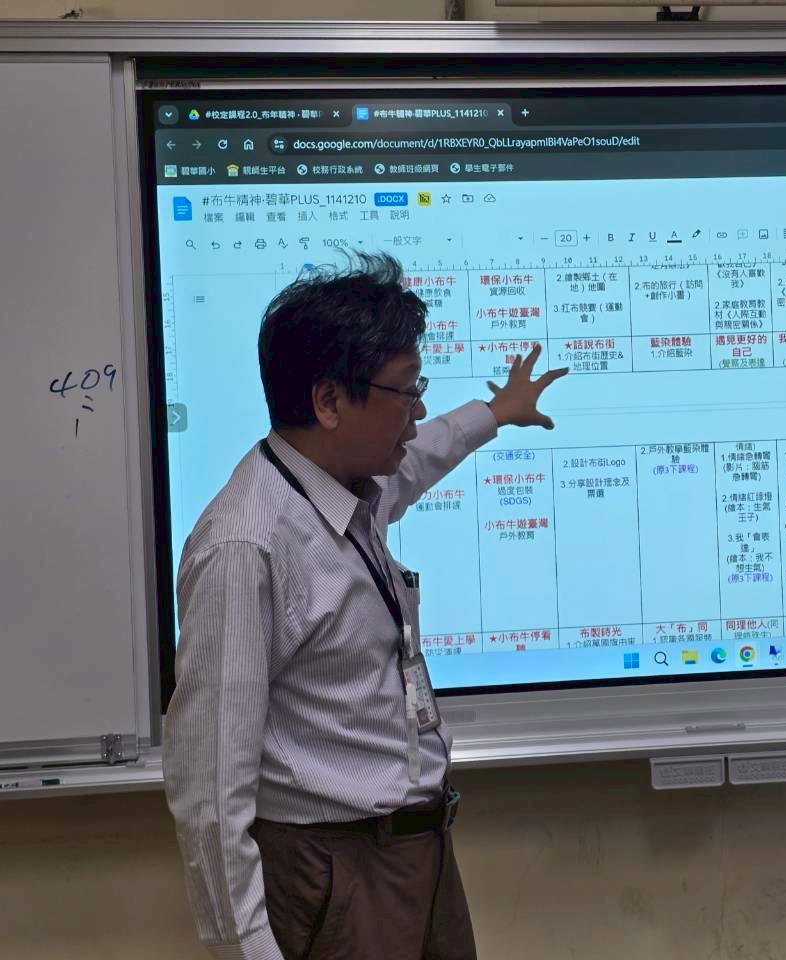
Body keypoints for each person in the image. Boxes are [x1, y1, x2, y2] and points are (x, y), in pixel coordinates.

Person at [163, 252, 567, 960]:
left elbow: (423, 454)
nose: (417, 413)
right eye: (406, 392)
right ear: (329, 402)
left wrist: (495, 413)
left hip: (420, 854)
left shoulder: (352, 486)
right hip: (332, 872)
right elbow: (211, 789)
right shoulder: (245, 546)